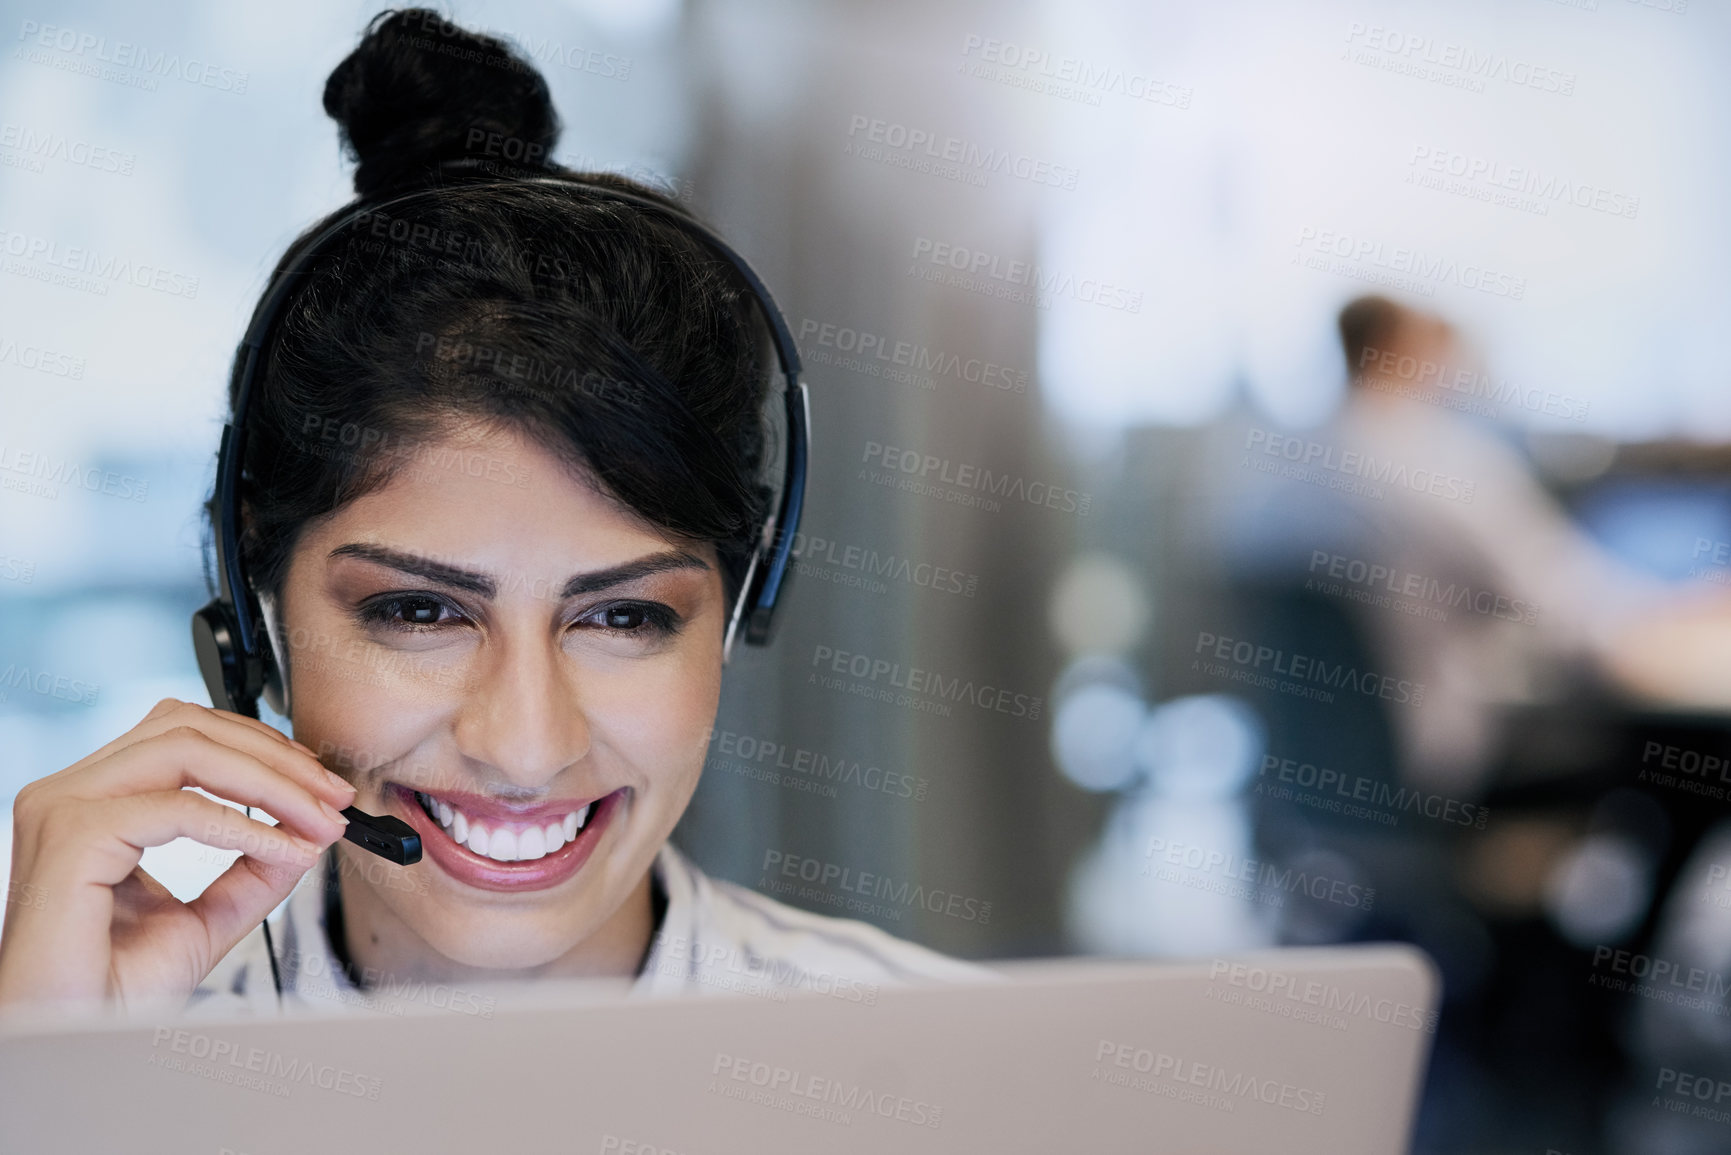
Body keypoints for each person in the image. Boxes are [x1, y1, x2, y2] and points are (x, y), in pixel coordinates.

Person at [0, 9, 985, 1017]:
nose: (524, 748)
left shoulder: (965, 1070)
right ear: (254, 617)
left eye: (625, 616)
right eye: (419, 611)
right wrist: (55, 1084)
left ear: (740, 611)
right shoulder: (81, 1052)